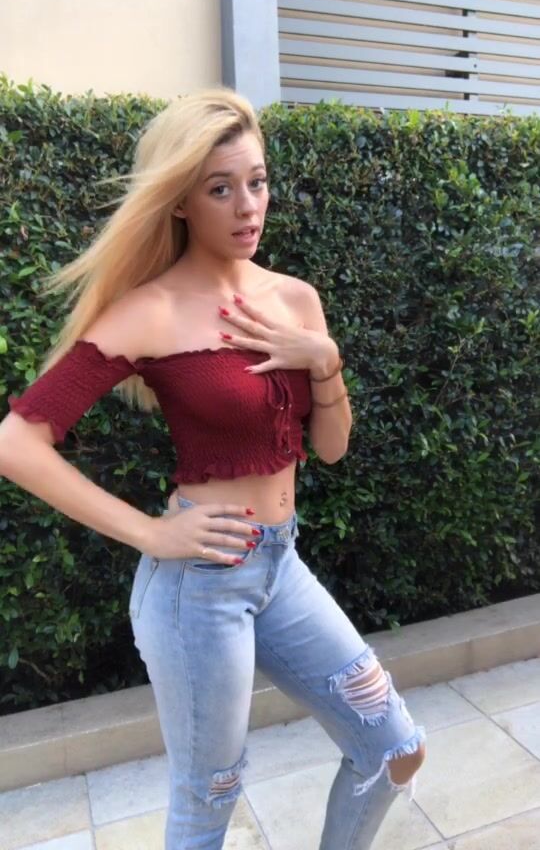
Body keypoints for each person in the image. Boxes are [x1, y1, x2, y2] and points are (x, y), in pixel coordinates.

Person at [0, 87, 425, 850]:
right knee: (209, 800)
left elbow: (330, 448)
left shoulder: (297, 300)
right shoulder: (152, 311)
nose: (247, 205)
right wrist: (150, 534)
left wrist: (324, 361)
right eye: (220, 188)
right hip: (199, 585)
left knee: (393, 748)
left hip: (280, 563)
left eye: (256, 182)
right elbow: (15, 443)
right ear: (180, 202)